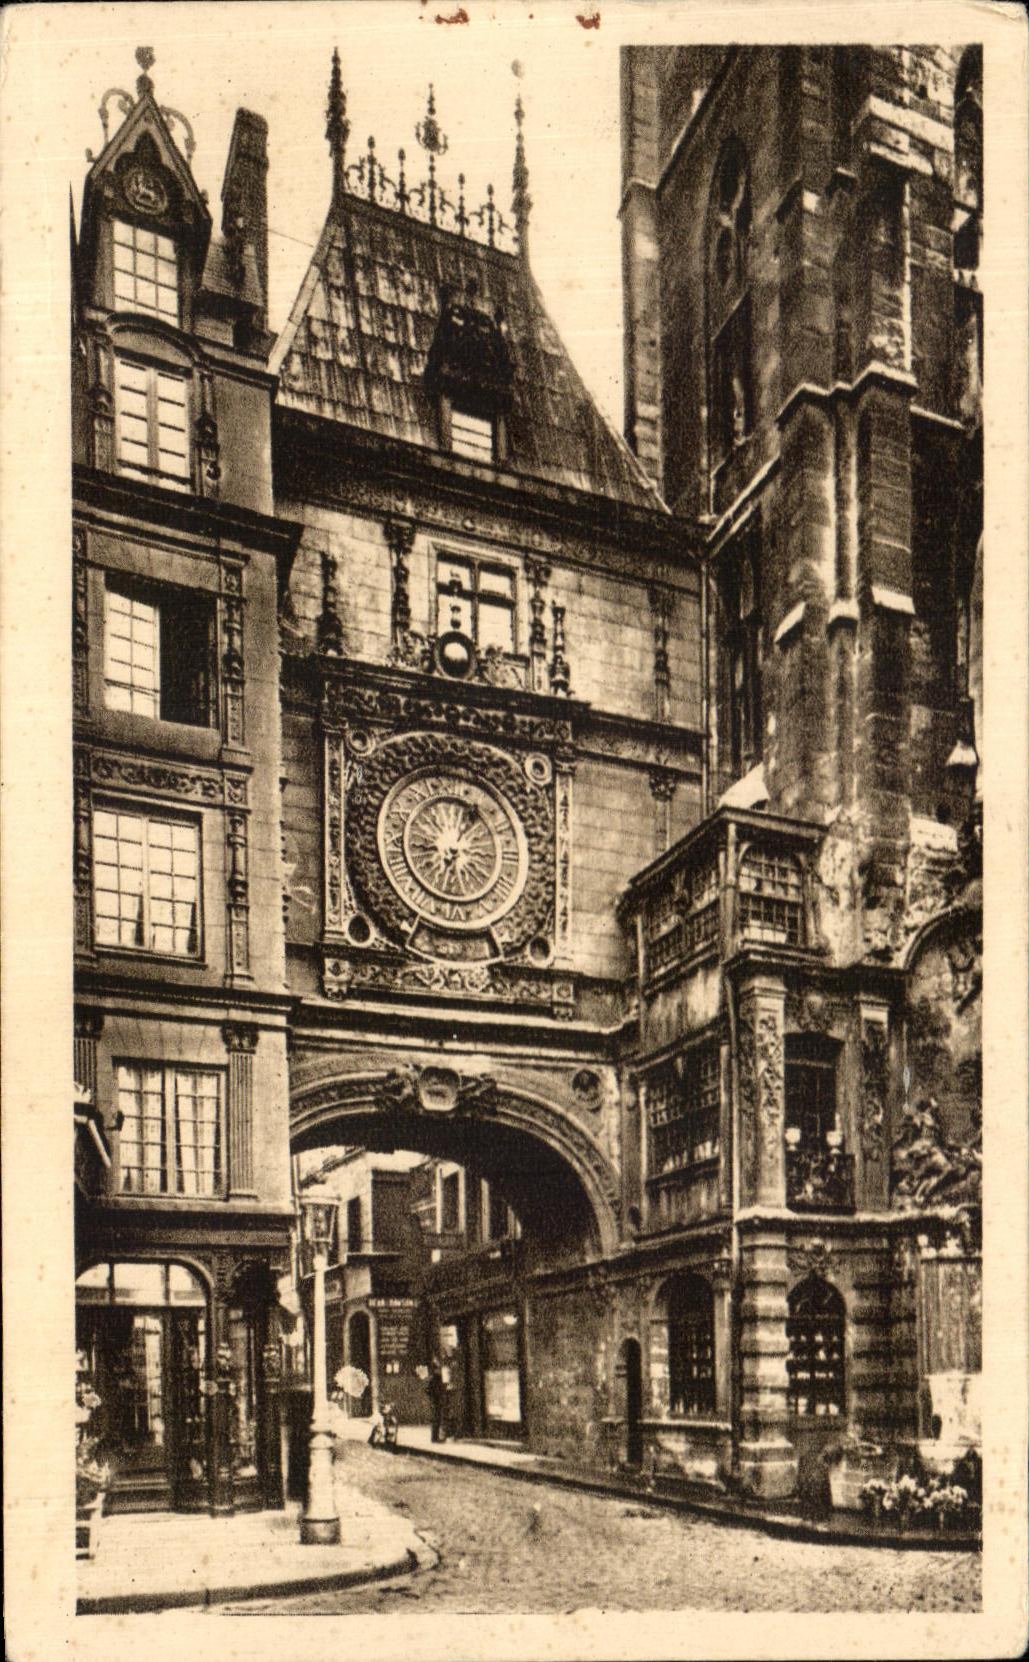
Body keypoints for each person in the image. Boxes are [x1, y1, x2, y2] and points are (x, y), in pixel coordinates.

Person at [428, 1357, 448, 1443]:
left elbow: (429, 1390)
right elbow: (439, 1389)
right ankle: (437, 1437)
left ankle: (435, 1437)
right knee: (438, 1418)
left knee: (437, 1418)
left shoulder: (434, 1378)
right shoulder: (437, 1378)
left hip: (436, 1399)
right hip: (438, 1399)